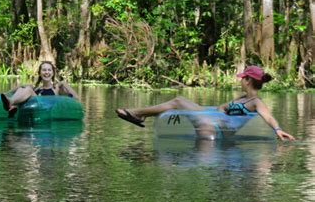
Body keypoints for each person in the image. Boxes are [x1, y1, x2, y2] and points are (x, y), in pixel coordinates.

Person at [116, 66, 295, 141]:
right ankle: (140, 114)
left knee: (179, 101)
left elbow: (268, 116)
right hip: (212, 126)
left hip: (214, 128)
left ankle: (139, 114)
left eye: (243, 78)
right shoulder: (241, 99)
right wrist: (199, 110)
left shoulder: (256, 102)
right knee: (180, 101)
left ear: (248, 80)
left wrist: (278, 130)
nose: (240, 80)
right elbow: (220, 109)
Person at [0, 61, 79, 117]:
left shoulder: (57, 88)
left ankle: (11, 103)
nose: (46, 72)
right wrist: (5, 95)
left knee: (28, 89)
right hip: (31, 112)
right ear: (40, 73)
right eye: (44, 70)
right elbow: (11, 92)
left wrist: (65, 85)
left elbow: (76, 99)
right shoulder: (35, 88)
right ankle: (11, 104)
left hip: (44, 112)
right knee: (25, 87)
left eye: (49, 70)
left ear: (53, 73)